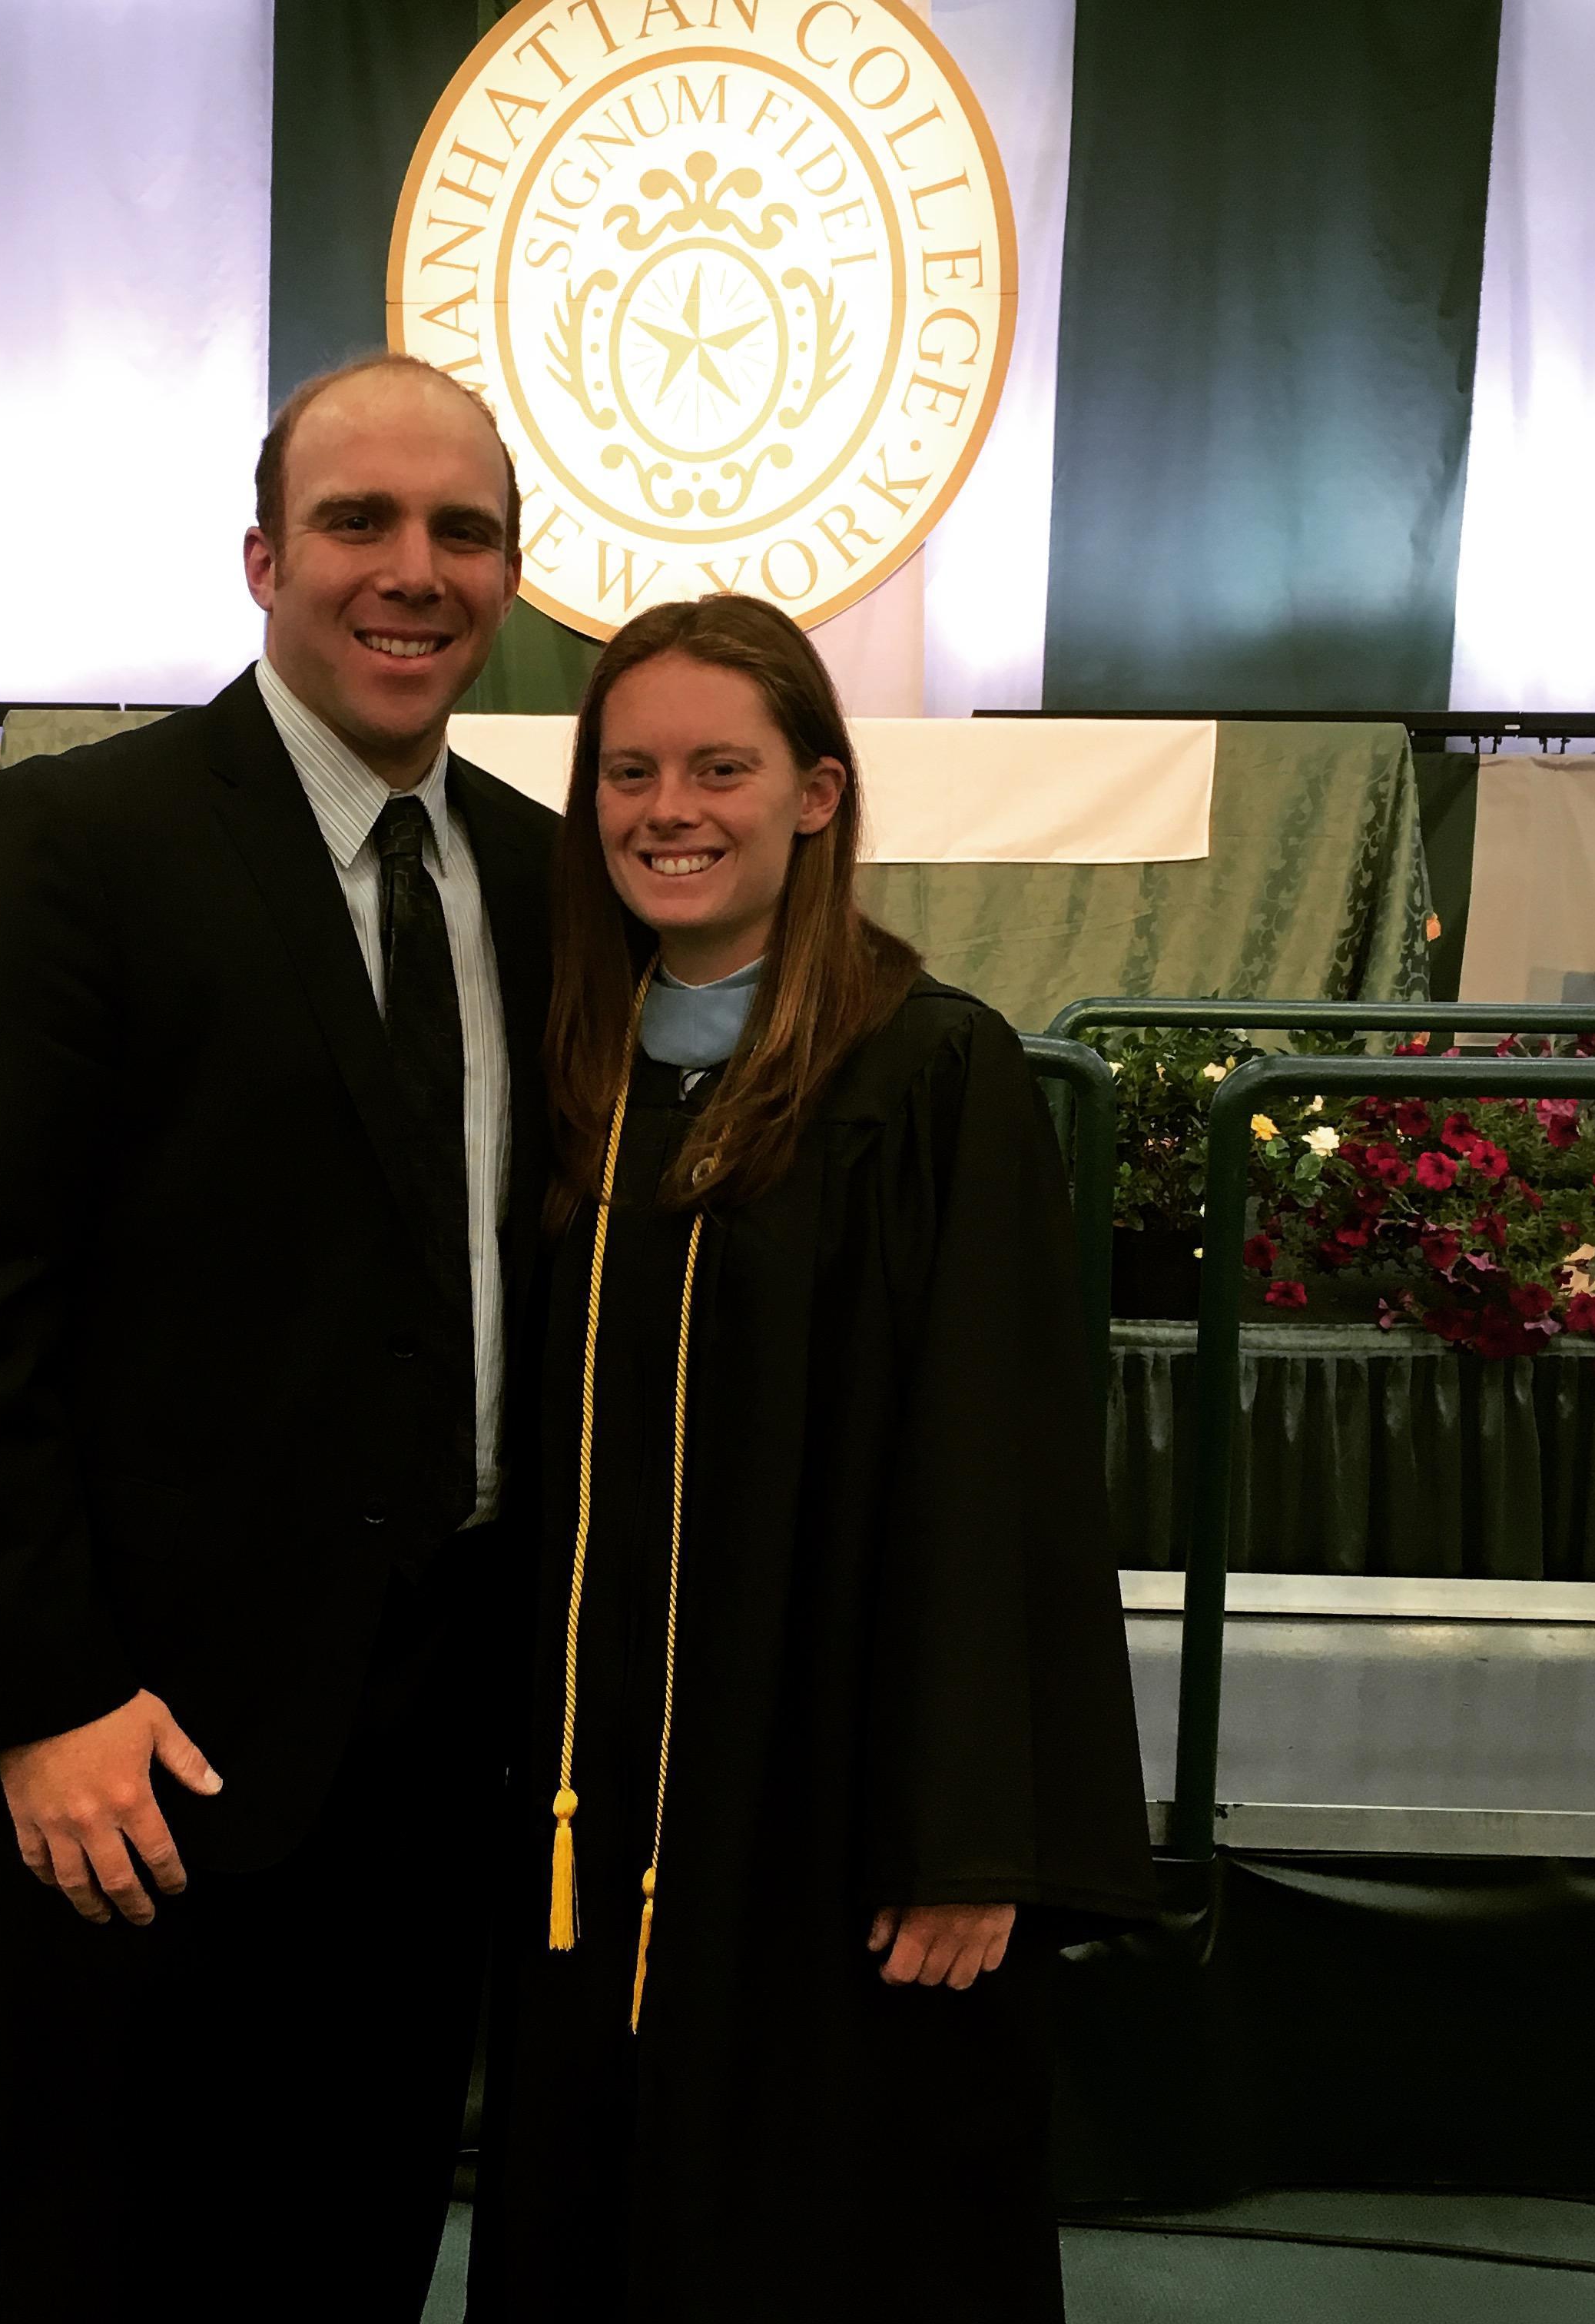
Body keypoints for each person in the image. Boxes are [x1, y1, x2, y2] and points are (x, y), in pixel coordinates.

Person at [0, 353, 558, 2320]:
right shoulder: (74, 845)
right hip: (144, 1749)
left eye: (462, 530)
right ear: (263, 556)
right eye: (359, 523)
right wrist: (40, 1692)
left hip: (447, 1741)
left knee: (355, 2256)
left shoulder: (534, 869)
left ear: (510, 572)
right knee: (124, 2269)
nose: (412, 571)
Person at [467, 594, 1156, 2322]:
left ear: (820, 795)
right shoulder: (576, 1070)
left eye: (720, 767)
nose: (667, 809)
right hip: (595, 1789)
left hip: (830, 1799)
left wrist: (971, 1835)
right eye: (628, 772)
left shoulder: (930, 1076)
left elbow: (996, 1479)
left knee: (830, 2228)